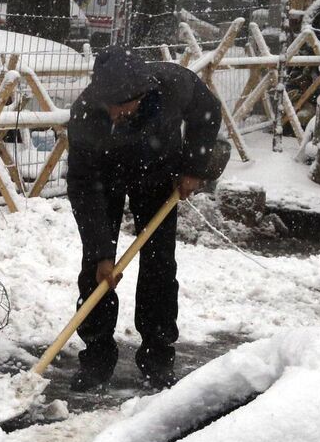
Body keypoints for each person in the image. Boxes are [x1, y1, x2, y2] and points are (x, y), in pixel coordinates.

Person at [64, 47, 224, 392]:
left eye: (127, 104)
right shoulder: (85, 115)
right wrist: (102, 251)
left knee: (159, 263)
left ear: (144, 92)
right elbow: (81, 185)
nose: (120, 111)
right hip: (101, 180)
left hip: (156, 175)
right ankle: (96, 358)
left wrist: (194, 168)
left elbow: (208, 112)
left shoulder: (172, 85)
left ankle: (157, 357)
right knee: (96, 267)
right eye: (114, 104)